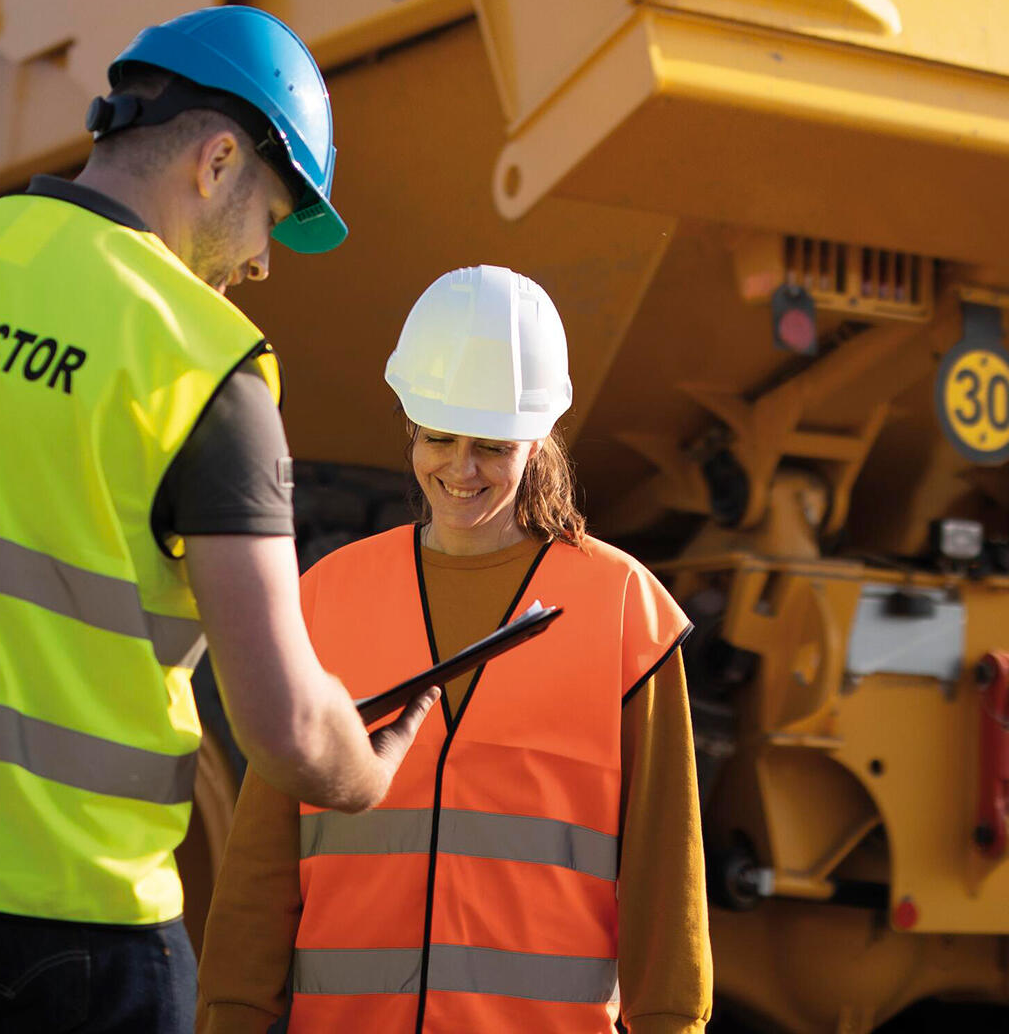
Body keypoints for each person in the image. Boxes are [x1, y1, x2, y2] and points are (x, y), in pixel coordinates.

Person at [0, 4, 437, 1034]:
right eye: (271, 217)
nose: (264, 263)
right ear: (218, 159)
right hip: (60, 905)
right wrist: (365, 769)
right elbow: (280, 725)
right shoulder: (202, 361)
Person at [195, 265, 714, 1033]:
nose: (461, 470)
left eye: (493, 446)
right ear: (409, 426)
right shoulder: (327, 598)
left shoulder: (625, 613)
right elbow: (262, 857)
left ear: (537, 442)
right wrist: (228, 1015)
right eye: (439, 438)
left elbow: (665, 877)